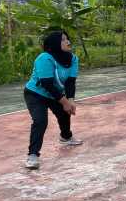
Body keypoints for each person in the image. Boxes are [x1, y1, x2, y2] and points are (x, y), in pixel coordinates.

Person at [23, 31, 83, 169]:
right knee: (40, 121)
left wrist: (71, 100)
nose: (68, 42)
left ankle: (66, 137)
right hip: (35, 94)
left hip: (54, 94)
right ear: (55, 43)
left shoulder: (73, 59)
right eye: (63, 40)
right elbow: (47, 84)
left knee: (64, 113)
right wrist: (65, 102)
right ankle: (32, 155)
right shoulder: (44, 58)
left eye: (68, 39)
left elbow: (70, 81)